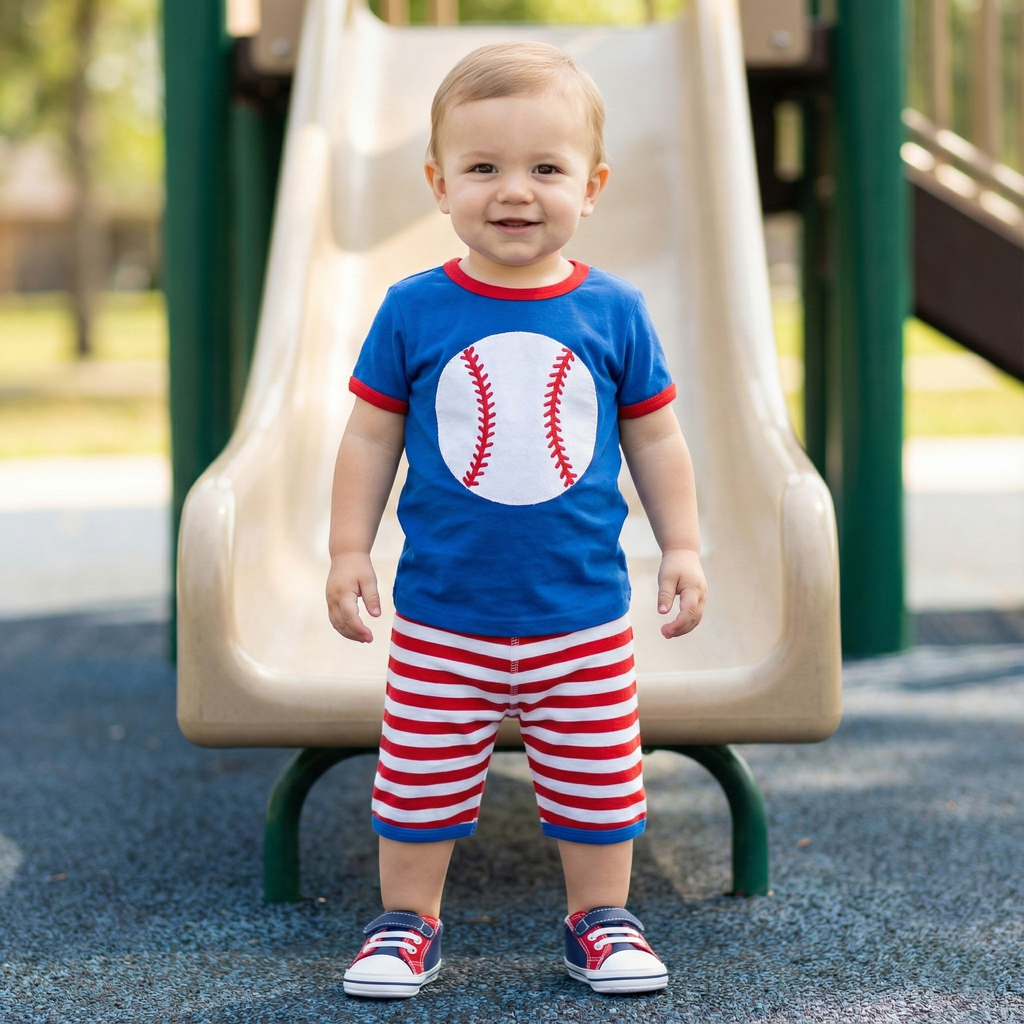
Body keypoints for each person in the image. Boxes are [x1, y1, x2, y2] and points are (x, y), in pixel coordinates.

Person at [325, 41, 706, 1000]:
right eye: (483, 168)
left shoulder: (615, 312)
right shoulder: (413, 310)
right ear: (438, 183)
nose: (515, 191)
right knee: (417, 782)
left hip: (578, 615)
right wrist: (346, 548)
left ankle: (601, 921)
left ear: (593, 185)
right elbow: (369, 441)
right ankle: (406, 924)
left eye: (547, 168)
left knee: (597, 781)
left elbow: (658, 444)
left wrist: (684, 546)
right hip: (443, 615)